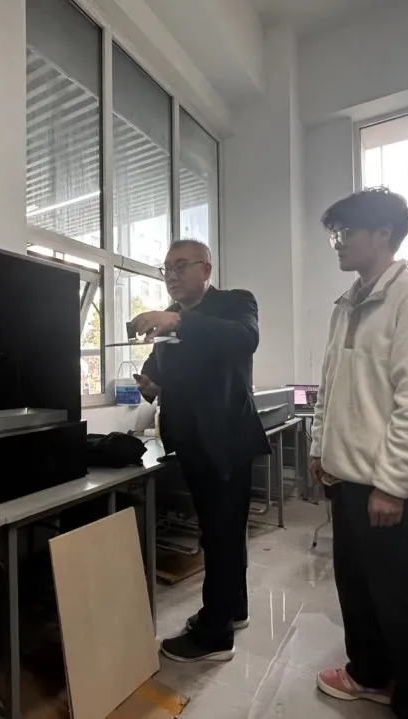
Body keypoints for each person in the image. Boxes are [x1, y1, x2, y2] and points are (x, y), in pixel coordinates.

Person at [310, 188, 408, 719]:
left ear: (384, 234)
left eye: (346, 231)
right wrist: (319, 447)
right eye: (335, 232)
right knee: (359, 591)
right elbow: (330, 384)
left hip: (390, 491)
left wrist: (393, 485)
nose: (338, 242)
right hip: (348, 482)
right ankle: (370, 673)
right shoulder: (346, 304)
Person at [131, 238, 269, 663]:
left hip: (225, 438)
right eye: (166, 269)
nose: (171, 275)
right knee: (219, 532)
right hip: (189, 442)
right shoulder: (171, 320)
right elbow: (158, 374)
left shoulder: (234, 303)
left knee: (222, 533)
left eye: (180, 266)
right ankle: (233, 610)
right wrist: (150, 385)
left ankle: (214, 636)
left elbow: (245, 338)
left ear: (206, 270)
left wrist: (176, 321)